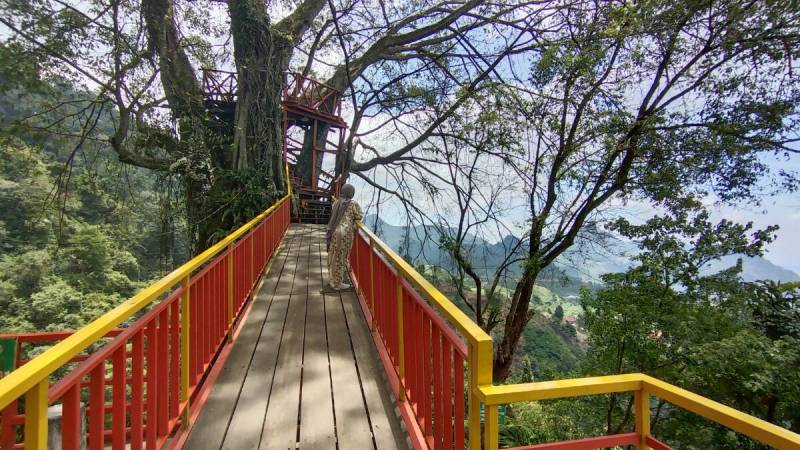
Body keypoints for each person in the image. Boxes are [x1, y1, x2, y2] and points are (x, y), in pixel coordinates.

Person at [326, 184, 362, 290]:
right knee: (340, 258)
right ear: (351, 193)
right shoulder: (352, 203)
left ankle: (333, 280)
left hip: (334, 231)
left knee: (333, 256)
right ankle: (337, 284)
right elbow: (359, 215)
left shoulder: (337, 202)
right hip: (345, 233)